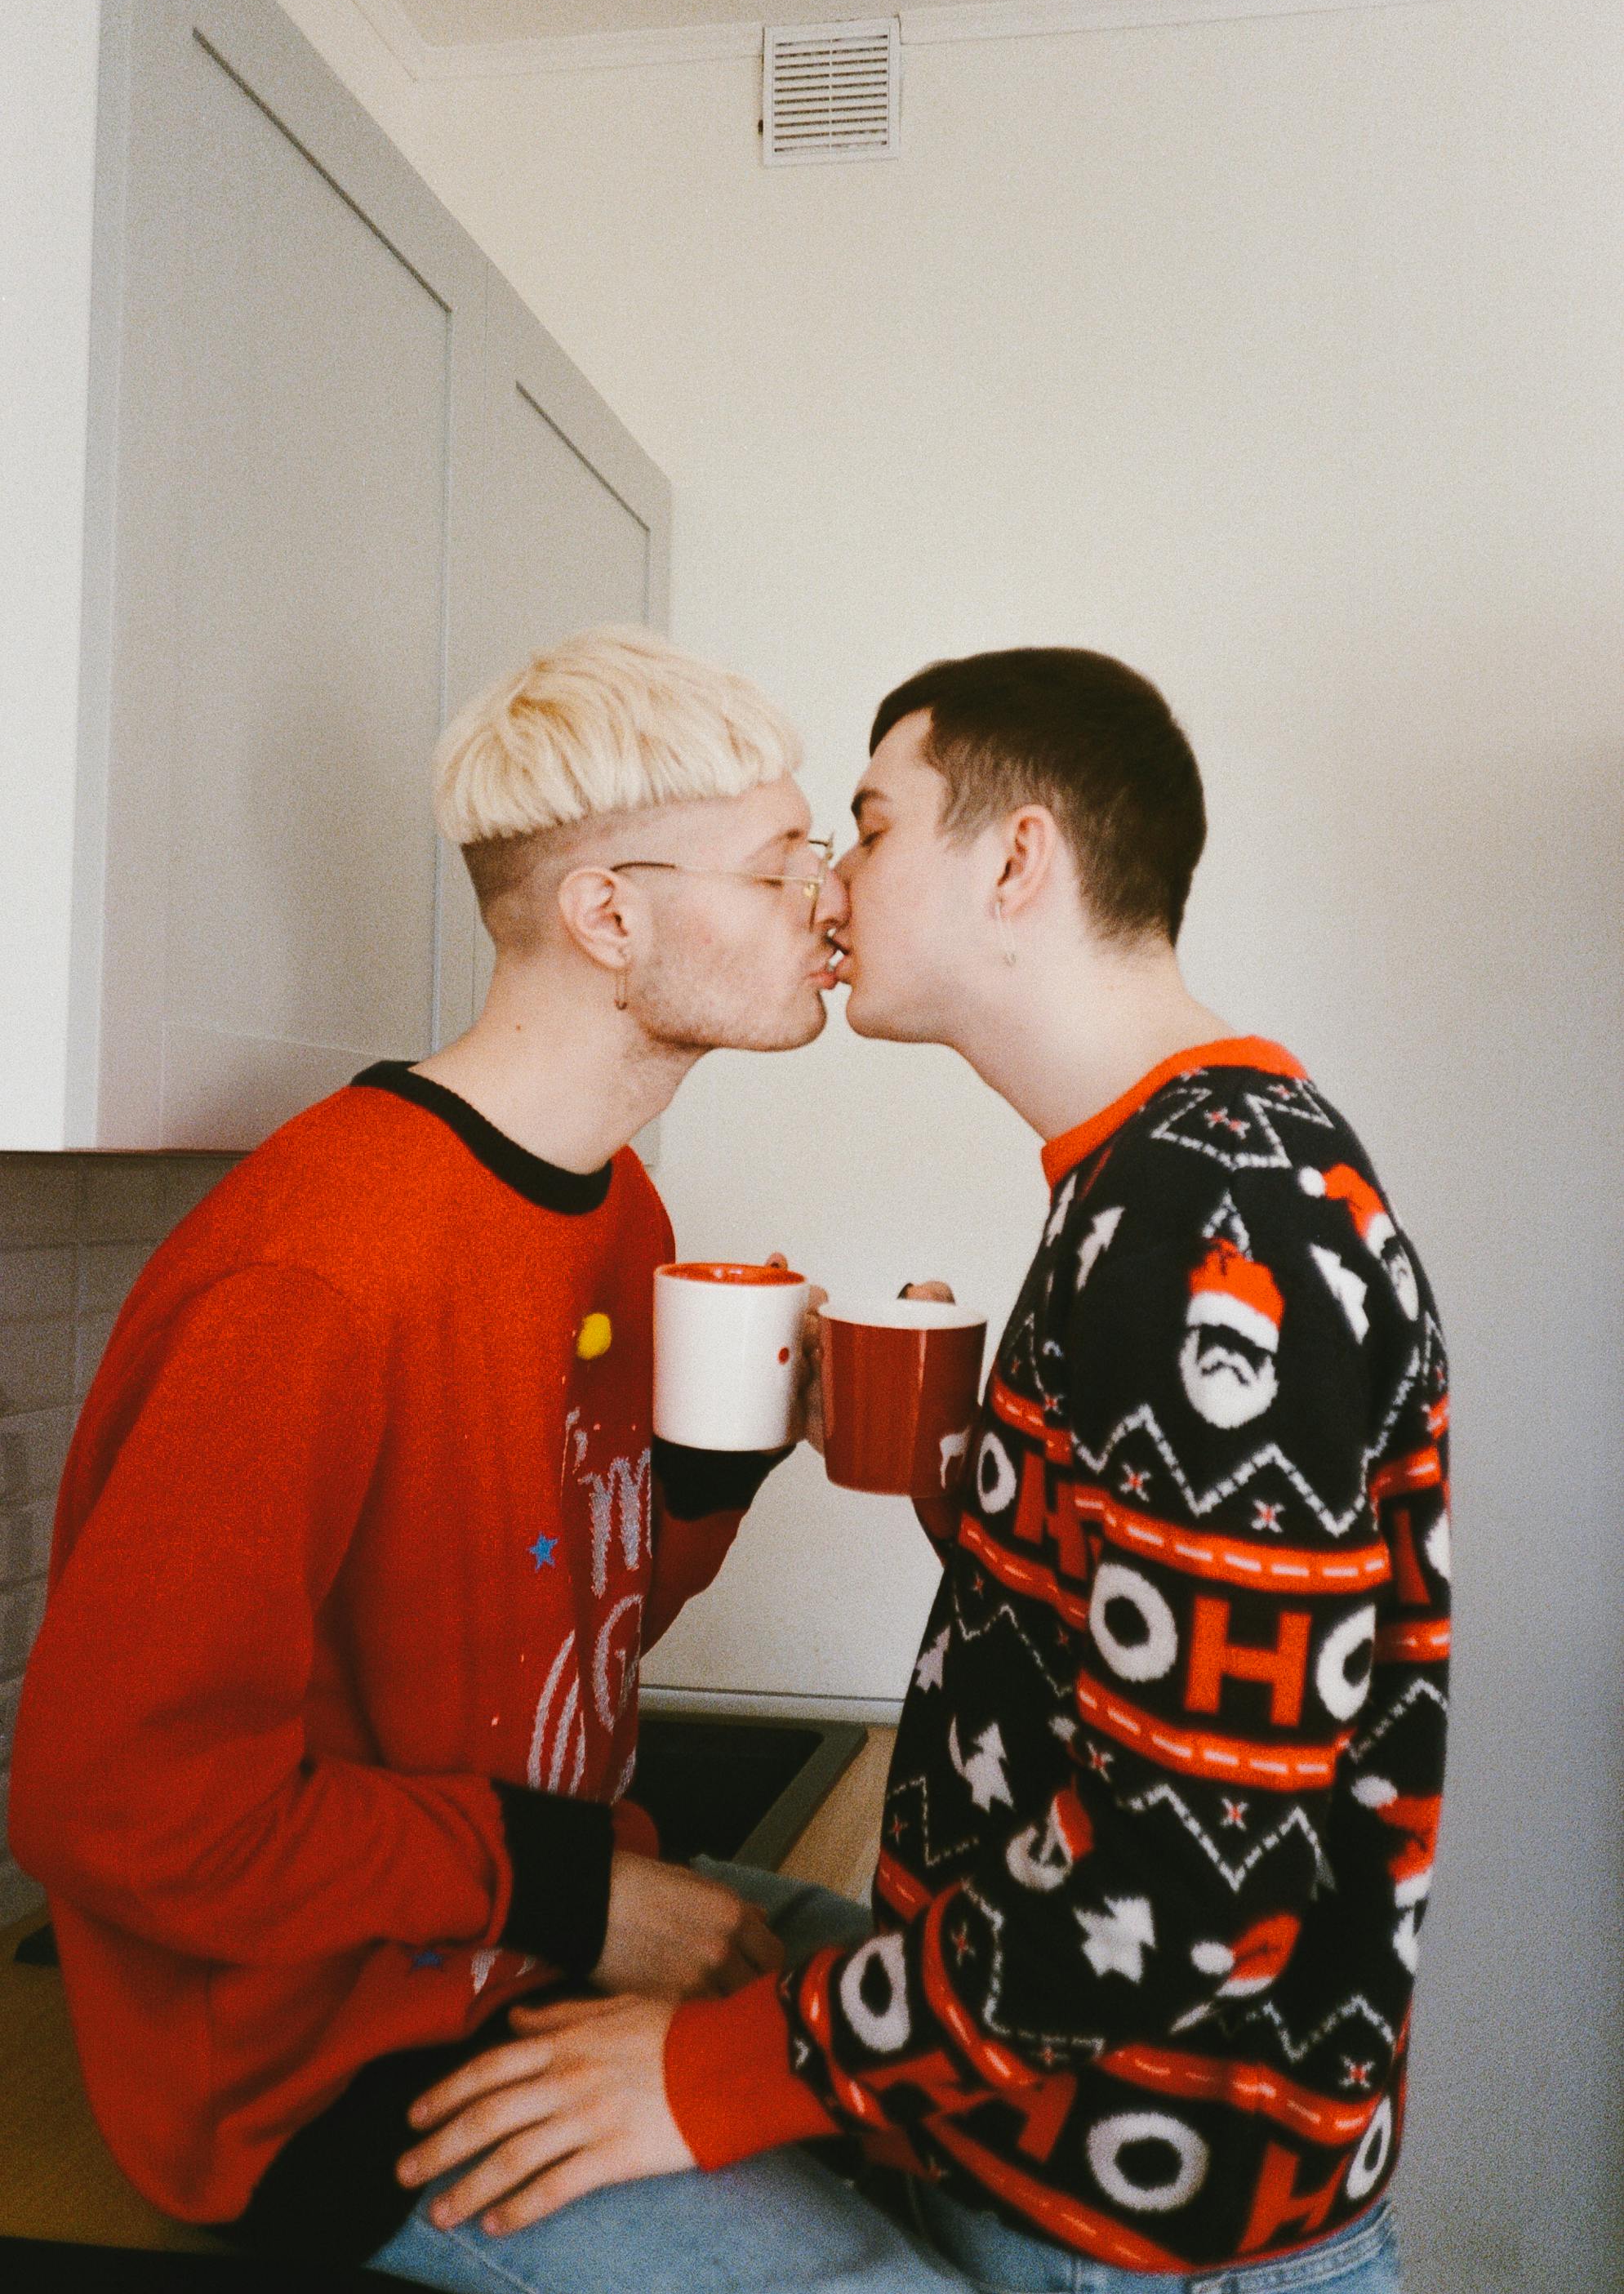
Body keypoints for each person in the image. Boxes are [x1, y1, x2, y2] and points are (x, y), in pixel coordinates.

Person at [397, 648, 1447, 2294]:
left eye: (870, 828)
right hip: (1069, 2155)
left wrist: (713, 2079)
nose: (829, 883)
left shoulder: (1205, 1223)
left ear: (1015, 861)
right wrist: (970, 1469)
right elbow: (1175, 1640)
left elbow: (1184, 1874)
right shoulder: (1160, 1174)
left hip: (1142, 2225)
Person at [11, 628, 973, 2283]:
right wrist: (574, 1895)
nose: (830, 900)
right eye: (778, 864)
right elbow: (119, 1807)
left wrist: (728, 1455)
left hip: (516, 1943)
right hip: (325, 2075)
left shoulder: (618, 1216)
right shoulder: (318, 1273)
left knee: (982, 2089)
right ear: (609, 916)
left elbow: (554, 1635)